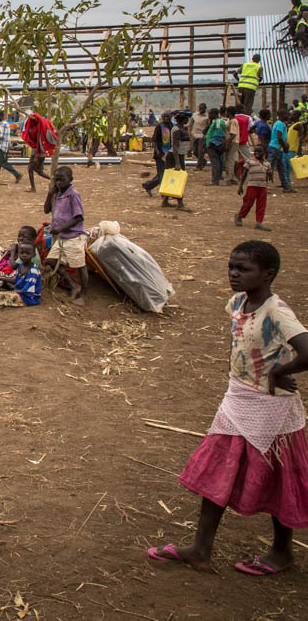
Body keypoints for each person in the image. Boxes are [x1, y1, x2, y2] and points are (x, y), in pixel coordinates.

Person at [148, 240, 308, 576]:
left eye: (243, 269)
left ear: (268, 274)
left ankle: (281, 552)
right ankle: (201, 549)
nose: (234, 274)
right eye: (231, 267)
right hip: (239, 398)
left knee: (278, 479)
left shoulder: (277, 312)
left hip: (272, 409)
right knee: (217, 472)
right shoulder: (237, 302)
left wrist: (279, 372)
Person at [45, 166, 89, 304]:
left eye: (62, 180)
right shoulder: (57, 194)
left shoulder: (73, 195)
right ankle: (73, 285)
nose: (58, 182)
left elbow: (79, 218)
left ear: (70, 179)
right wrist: (50, 193)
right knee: (51, 261)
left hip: (74, 236)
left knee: (80, 266)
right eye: (56, 180)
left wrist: (60, 228)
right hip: (62, 236)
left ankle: (84, 295)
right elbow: (46, 210)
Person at [236, 144, 273, 231]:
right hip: (252, 186)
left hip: (262, 187)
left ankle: (259, 222)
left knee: (261, 205)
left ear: (263, 153)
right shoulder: (250, 162)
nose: (257, 153)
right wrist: (240, 186)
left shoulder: (267, 164)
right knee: (248, 203)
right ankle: (239, 216)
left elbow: (269, 174)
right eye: (255, 151)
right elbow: (244, 174)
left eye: (259, 151)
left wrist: (270, 177)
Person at [142, 111, 173, 197]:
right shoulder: (160, 126)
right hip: (160, 153)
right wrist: (158, 152)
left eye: (168, 117)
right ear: (162, 118)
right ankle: (164, 193)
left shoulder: (172, 126)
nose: (166, 119)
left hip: (169, 153)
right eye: (165, 117)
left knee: (164, 173)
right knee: (162, 173)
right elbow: (154, 140)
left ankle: (148, 185)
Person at [21, 112, 54, 192]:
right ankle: (53, 180)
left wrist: (36, 155)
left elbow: (39, 141)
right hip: (40, 151)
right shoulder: (41, 127)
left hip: (37, 151)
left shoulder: (39, 129)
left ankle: (34, 188)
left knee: (32, 169)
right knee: (39, 170)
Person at [0, 111, 22, 184]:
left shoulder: (3, 124)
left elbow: (1, 136)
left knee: (3, 163)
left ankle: (17, 174)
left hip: (0, 147)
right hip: (0, 146)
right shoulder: (4, 124)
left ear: (0, 117)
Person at [270, 109, 296, 193]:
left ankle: (286, 187)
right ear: (282, 115)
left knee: (281, 168)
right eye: (287, 114)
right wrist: (285, 147)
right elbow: (279, 137)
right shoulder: (280, 124)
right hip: (276, 148)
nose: (288, 116)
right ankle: (262, 187)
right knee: (269, 168)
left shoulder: (279, 123)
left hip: (278, 149)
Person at [204, 107, 226, 186]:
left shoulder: (218, 122)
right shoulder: (217, 121)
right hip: (217, 145)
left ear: (214, 114)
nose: (209, 115)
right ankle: (217, 178)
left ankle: (214, 180)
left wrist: (211, 143)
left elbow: (219, 134)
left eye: (210, 113)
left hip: (214, 145)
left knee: (215, 163)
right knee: (218, 162)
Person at [191, 103, 209, 170]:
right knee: (195, 151)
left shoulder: (207, 116)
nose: (200, 110)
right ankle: (203, 161)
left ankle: (199, 166)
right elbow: (191, 123)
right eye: (200, 108)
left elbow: (209, 126)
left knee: (200, 151)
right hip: (195, 135)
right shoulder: (195, 115)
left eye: (202, 108)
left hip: (202, 135)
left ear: (205, 109)